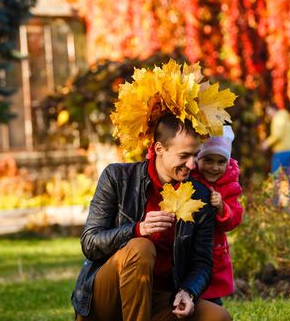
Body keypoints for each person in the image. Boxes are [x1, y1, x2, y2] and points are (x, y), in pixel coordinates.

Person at [71, 61, 235, 321]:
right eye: (183, 156)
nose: (192, 165)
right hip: (107, 300)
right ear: (159, 149)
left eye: (195, 155)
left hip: (157, 298)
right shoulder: (117, 178)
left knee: (218, 317)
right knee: (140, 248)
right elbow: (90, 244)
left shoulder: (200, 195)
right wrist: (137, 229)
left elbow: (202, 263)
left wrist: (188, 292)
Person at [190, 125, 244, 306]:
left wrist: (222, 208)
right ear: (198, 158)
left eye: (221, 162)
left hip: (214, 252)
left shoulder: (230, 185)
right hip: (189, 248)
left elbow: (234, 219)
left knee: (211, 300)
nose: (214, 167)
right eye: (208, 160)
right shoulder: (190, 178)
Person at [261, 104, 290, 205]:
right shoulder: (286, 117)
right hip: (289, 149)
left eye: (268, 111)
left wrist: (266, 144)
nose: (268, 114)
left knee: (275, 176)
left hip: (281, 151)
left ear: (273, 109)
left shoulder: (278, 118)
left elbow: (277, 135)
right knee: (287, 174)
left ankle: (275, 202)